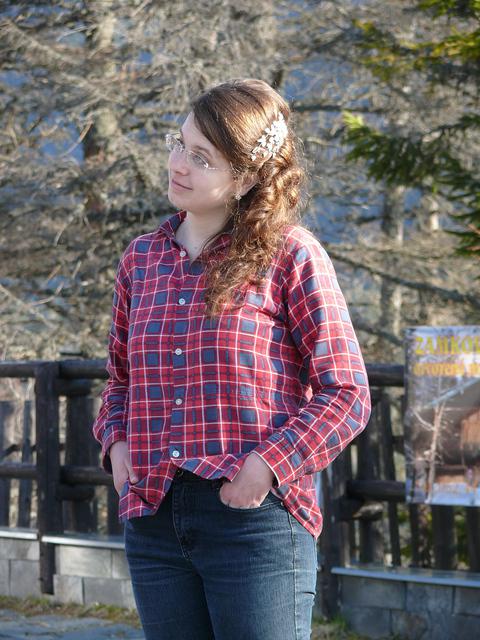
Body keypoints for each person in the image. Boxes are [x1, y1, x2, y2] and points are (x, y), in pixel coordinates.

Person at [92, 78, 371, 640]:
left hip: (254, 523)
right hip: (152, 520)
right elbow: (119, 380)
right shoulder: (141, 260)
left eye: (202, 158)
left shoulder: (290, 255)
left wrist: (265, 467)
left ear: (245, 178)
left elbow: (347, 393)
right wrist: (116, 444)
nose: (179, 164)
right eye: (180, 143)